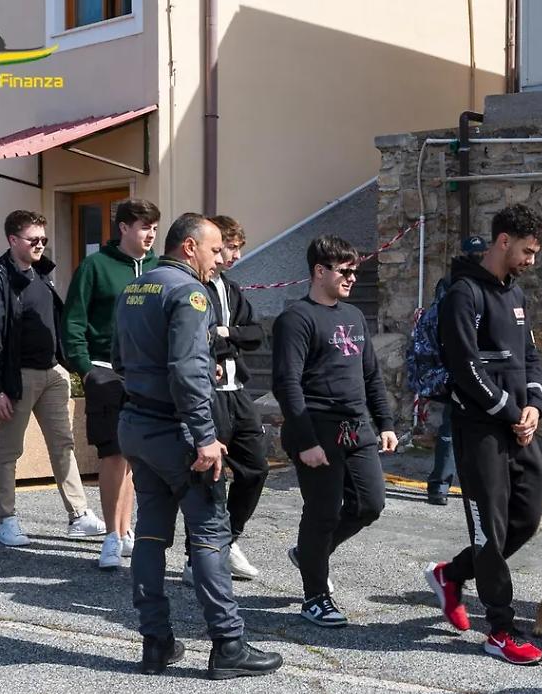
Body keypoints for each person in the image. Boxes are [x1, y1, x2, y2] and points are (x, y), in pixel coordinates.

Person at [113, 212, 282, 679]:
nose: (217, 260)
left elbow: (120, 357)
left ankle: (156, 643)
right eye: (213, 250)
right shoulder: (189, 292)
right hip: (177, 432)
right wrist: (205, 436)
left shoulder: (136, 286)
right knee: (209, 534)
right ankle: (228, 645)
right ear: (189, 247)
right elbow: (189, 370)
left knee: (150, 533)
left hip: (136, 425)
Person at [423, 204, 542, 666]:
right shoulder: (463, 294)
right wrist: (509, 410)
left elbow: (530, 359)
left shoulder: (515, 296)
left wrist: (533, 406)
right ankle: (499, 628)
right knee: (489, 531)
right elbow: (465, 367)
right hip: (479, 429)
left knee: (529, 514)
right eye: (526, 251)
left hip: (518, 426)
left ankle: (452, 574)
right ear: (503, 241)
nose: (530, 260)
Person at [272, 234, 397, 628]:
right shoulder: (296, 318)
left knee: (369, 505)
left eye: (355, 271)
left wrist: (386, 423)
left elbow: (371, 376)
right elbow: (286, 384)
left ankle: (310, 554)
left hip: (356, 427)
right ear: (319, 271)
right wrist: (306, 441)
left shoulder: (354, 317)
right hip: (317, 430)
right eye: (345, 271)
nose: (352, 278)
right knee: (322, 513)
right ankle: (316, 596)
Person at [0, 210, 104, 548]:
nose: (40, 245)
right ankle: (6, 519)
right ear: (12, 240)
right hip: (18, 377)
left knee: (64, 446)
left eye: (43, 240)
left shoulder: (42, 273)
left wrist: (64, 364)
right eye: (33, 240)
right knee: (9, 450)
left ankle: (78, 514)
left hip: (52, 373)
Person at [62, 199, 160, 569]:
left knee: (134, 456)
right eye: (142, 226)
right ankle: (111, 537)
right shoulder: (95, 266)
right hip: (106, 371)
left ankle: (126, 530)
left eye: (153, 227)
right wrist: (87, 369)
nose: (149, 234)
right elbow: (73, 323)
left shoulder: (159, 269)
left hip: (146, 374)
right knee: (113, 454)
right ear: (122, 228)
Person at [202, 215, 268, 579]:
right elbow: (203, 336)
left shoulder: (231, 287)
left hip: (236, 390)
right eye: (230, 247)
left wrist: (226, 332)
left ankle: (229, 538)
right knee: (210, 474)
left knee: (255, 467)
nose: (236, 255)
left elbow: (256, 334)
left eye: (239, 248)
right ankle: (202, 553)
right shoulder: (194, 287)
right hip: (208, 393)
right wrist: (225, 335)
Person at [424, 235, 485, 506]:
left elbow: (438, 324)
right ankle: (470, 487)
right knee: (471, 427)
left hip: (461, 363)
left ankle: (440, 486)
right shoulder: (489, 283)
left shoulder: (450, 283)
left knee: (452, 427)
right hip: (478, 365)